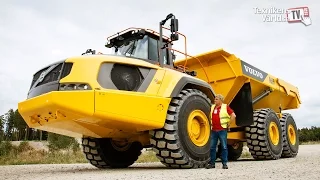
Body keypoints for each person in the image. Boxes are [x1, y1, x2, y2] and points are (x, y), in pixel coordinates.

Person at [205, 94, 236, 169]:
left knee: (224, 147)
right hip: (214, 130)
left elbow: (233, 115)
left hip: (222, 130)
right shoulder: (213, 107)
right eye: (215, 99)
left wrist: (229, 124)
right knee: (212, 147)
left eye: (216, 99)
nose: (214, 100)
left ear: (221, 100)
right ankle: (212, 163)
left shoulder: (225, 107)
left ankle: (224, 163)